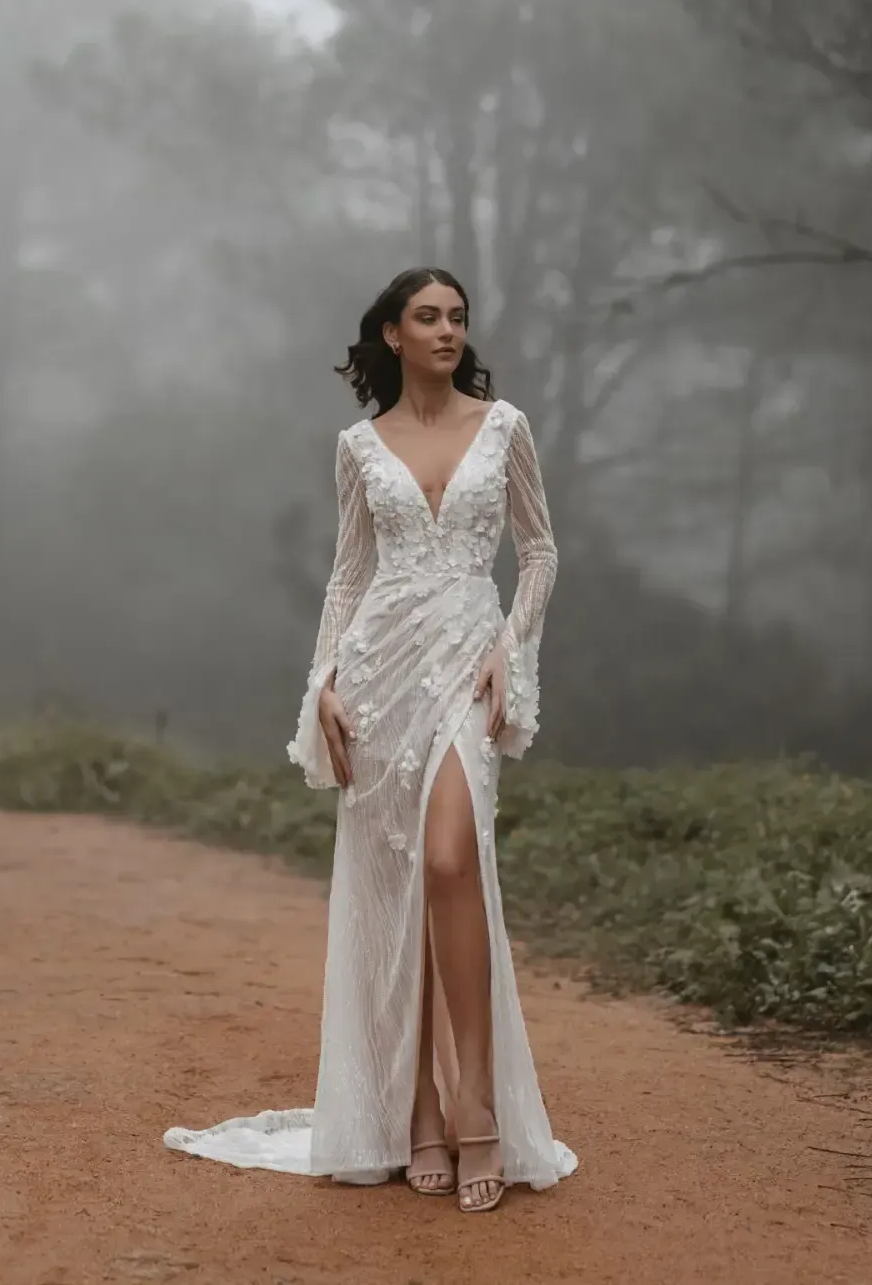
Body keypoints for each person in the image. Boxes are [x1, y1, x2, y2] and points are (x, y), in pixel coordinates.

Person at [164, 268, 577, 1212]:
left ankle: (477, 1108)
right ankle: (418, 1113)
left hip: (467, 662)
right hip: (379, 670)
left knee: (450, 859)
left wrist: (512, 646)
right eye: (427, 317)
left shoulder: (504, 427)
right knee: (399, 886)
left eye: (457, 317)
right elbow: (349, 578)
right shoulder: (359, 446)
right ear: (393, 334)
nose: (447, 330)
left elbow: (541, 551)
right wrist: (324, 685)